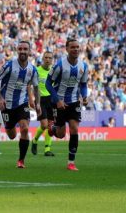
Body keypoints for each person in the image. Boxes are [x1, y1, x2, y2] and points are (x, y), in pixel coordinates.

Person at [0, 41, 41, 169]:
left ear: (29, 51)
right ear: (17, 50)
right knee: (12, 135)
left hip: (22, 103)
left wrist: (38, 103)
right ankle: (10, 127)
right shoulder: (8, 65)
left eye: (25, 49)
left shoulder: (32, 69)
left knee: (24, 128)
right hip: (6, 104)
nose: (23, 51)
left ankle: (21, 160)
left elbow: (36, 87)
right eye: (20, 49)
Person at [46, 38, 88, 171]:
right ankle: (53, 128)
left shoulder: (84, 66)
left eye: (77, 47)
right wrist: (57, 100)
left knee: (74, 129)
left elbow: (83, 84)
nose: (75, 49)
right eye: (73, 47)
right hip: (59, 103)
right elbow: (48, 83)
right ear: (67, 49)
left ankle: (71, 162)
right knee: (60, 134)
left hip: (74, 101)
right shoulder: (59, 65)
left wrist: (84, 95)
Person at [31, 51, 55, 157]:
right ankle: (35, 140)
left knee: (50, 126)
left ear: (52, 59)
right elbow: (30, 84)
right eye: (46, 57)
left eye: (50, 58)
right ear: (42, 58)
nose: (48, 59)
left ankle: (47, 149)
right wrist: (31, 99)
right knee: (44, 125)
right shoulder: (36, 70)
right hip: (40, 100)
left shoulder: (54, 71)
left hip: (52, 99)